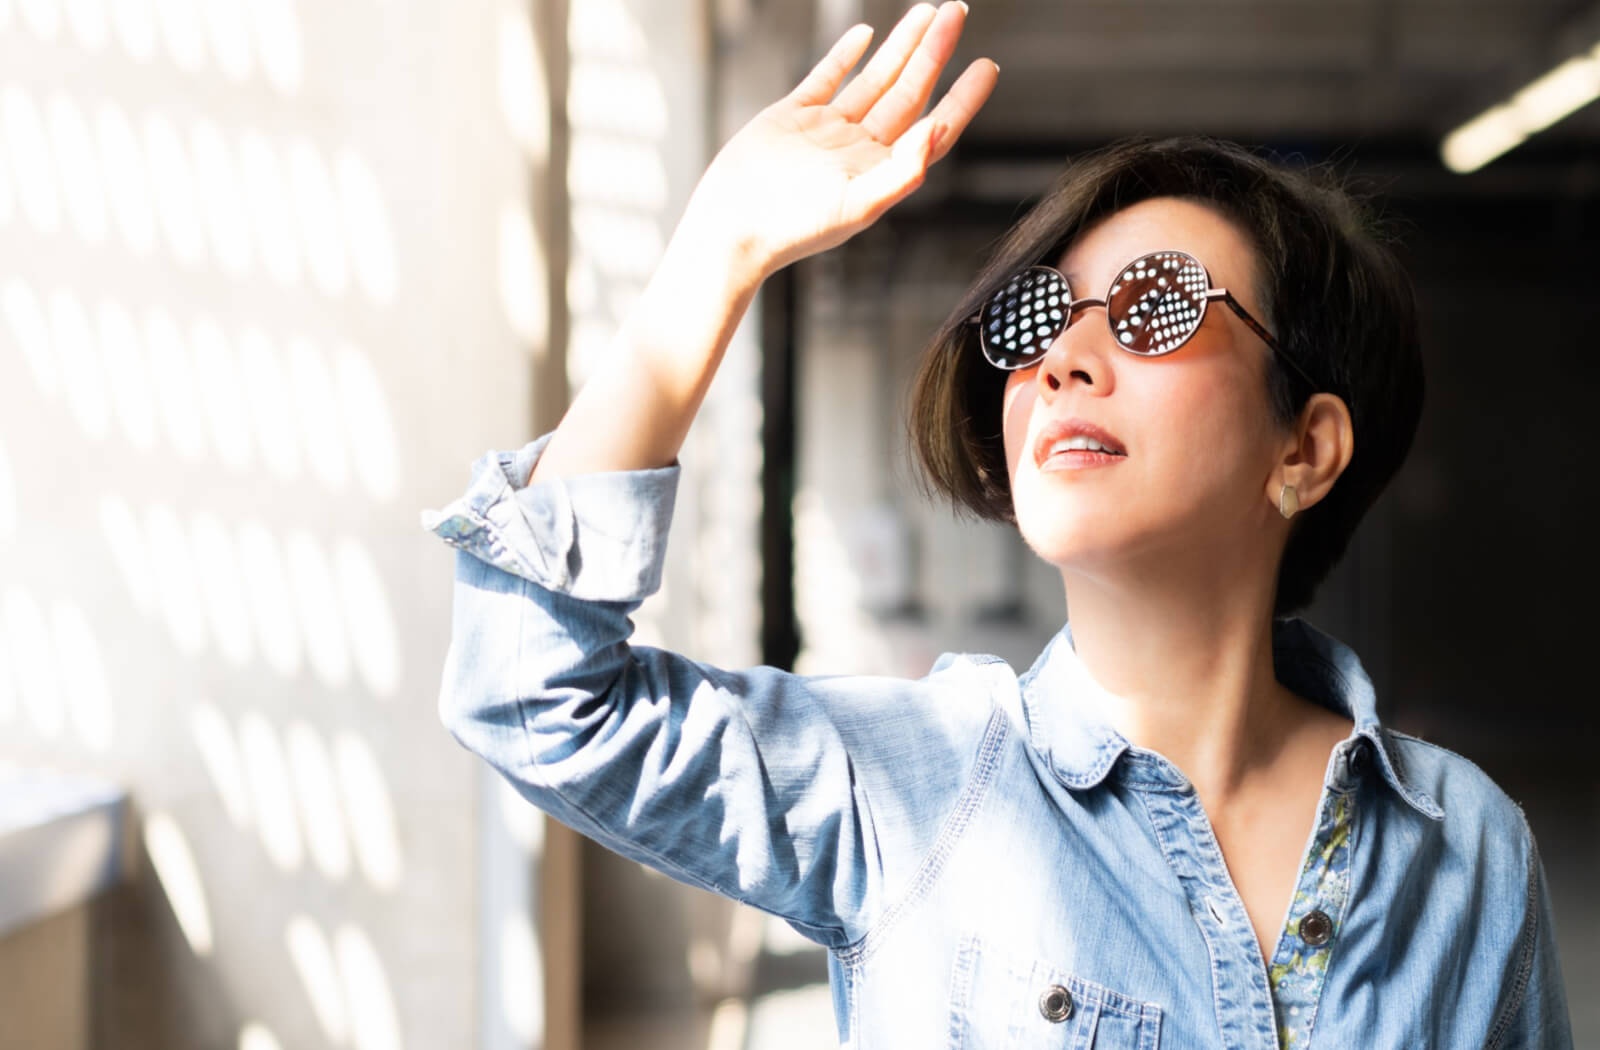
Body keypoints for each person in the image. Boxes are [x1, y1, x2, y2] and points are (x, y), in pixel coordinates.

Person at [422, 3, 1573, 1047]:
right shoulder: (908, 786)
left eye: (1155, 306)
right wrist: (716, 251)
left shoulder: (1464, 852)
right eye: (1035, 319)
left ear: (1305, 448)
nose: (1063, 358)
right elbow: (532, 696)